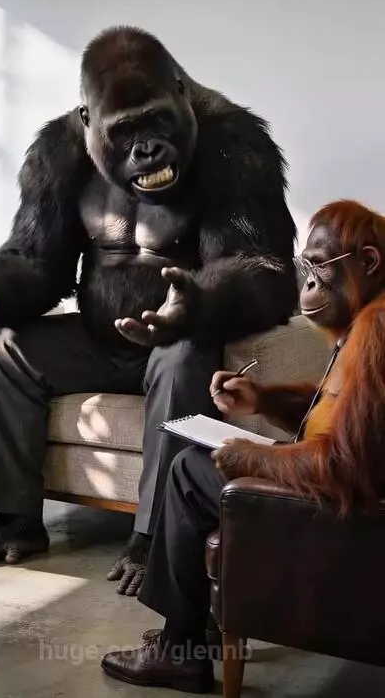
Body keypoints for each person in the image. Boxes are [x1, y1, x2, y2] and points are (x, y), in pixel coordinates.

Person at [0, 26, 297, 595]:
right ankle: (15, 521)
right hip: (100, 341)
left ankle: (156, 535)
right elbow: (35, 259)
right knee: (2, 349)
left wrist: (200, 302)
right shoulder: (58, 152)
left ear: (181, 92)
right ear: (87, 121)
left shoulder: (233, 142)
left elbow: (264, 270)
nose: (145, 148)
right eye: (125, 132)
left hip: (178, 341)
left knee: (178, 360)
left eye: (156, 122)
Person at [101, 199, 385, 693]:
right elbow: (346, 416)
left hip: (348, 513)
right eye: (307, 268)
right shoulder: (367, 320)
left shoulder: (377, 329)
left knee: (190, 469)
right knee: (203, 464)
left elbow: (343, 463)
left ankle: (179, 649)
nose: (310, 285)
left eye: (321, 267)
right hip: (343, 491)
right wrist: (264, 399)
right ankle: (206, 623)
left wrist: (252, 457)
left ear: (369, 262)